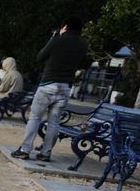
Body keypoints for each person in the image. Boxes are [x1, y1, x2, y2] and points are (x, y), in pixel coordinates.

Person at [11, 16, 89, 162]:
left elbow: (40, 57)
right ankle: (46, 153)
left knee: (35, 117)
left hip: (48, 85)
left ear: (65, 26)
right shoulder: (84, 43)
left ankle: (25, 149)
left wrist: (54, 38)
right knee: (54, 122)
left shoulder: (57, 40)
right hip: (65, 87)